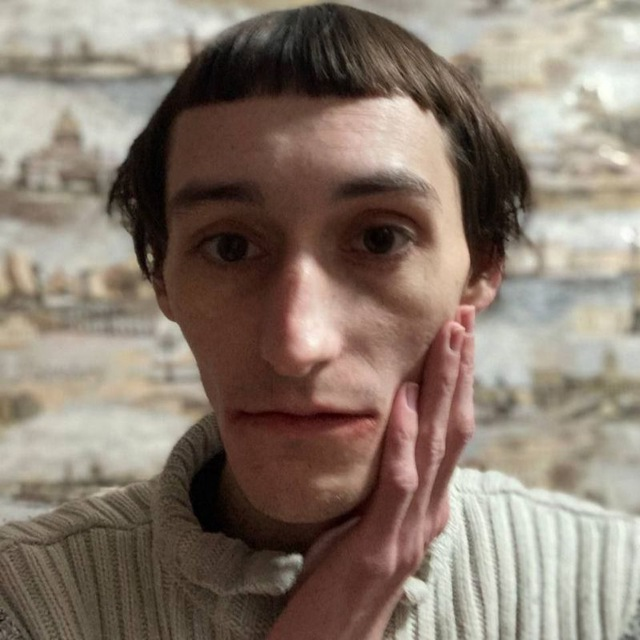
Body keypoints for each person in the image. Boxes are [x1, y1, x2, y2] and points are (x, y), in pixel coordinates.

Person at [0, 4, 638, 639]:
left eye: (381, 239)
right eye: (230, 247)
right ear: (160, 274)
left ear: (483, 267)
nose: (295, 344)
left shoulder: (613, 589)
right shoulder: (25, 598)